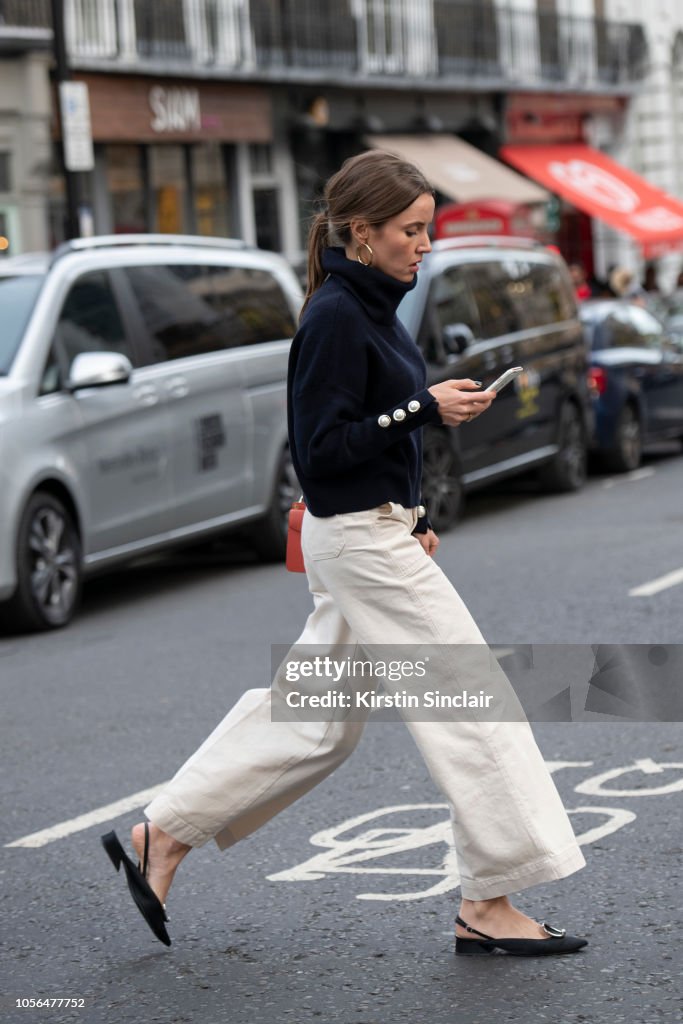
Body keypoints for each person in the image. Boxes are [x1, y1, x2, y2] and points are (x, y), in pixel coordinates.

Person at [102, 151, 588, 957]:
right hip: (358, 540)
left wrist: (417, 504)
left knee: (318, 723)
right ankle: (489, 898)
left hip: (375, 532)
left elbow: (375, 436)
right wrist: (418, 410)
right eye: (410, 229)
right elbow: (320, 452)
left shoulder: (373, 311)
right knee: (474, 706)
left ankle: (164, 837)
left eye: (427, 228)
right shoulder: (333, 316)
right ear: (360, 233)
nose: (424, 244)